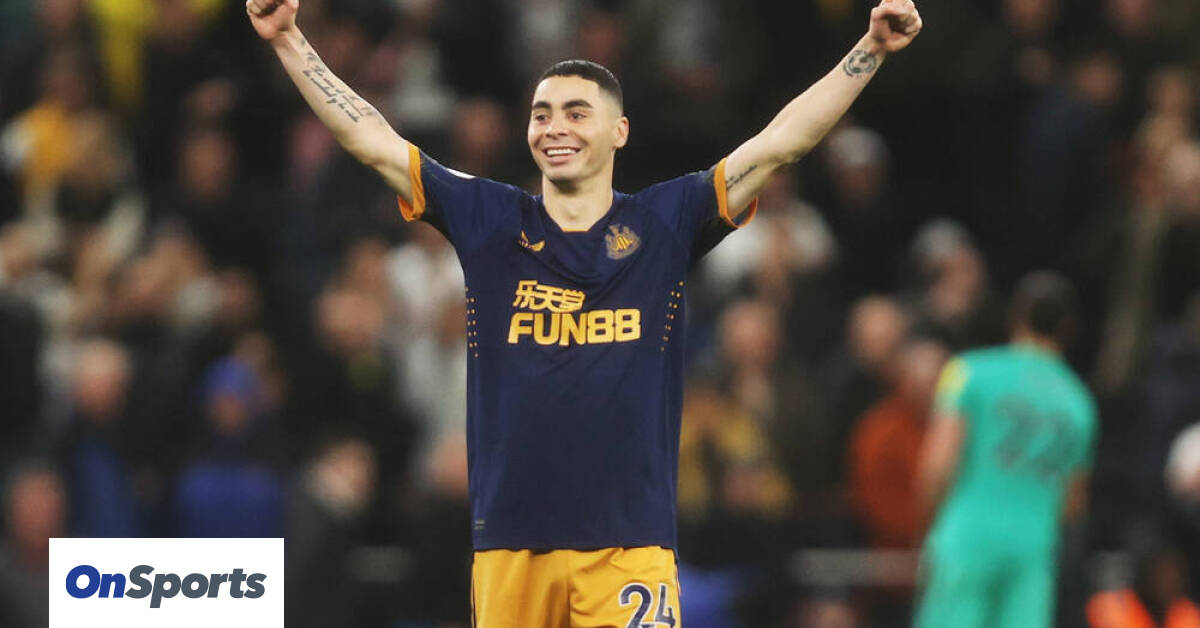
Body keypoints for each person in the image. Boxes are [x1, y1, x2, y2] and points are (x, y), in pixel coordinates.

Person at [246, 0, 923, 624]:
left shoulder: (665, 222)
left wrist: (869, 49)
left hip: (629, 549)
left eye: (576, 112)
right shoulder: (489, 220)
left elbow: (781, 143)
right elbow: (372, 138)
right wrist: (289, 40)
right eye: (542, 114)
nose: (555, 127)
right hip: (509, 547)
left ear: (619, 130)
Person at [914, 271, 1098, 628]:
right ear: (1068, 328)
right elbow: (1073, 502)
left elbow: (938, 464)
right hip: (1032, 551)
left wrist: (929, 530)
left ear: (1015, 317)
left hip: (967, 538)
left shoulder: (967, 372)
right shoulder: (1080, 403)